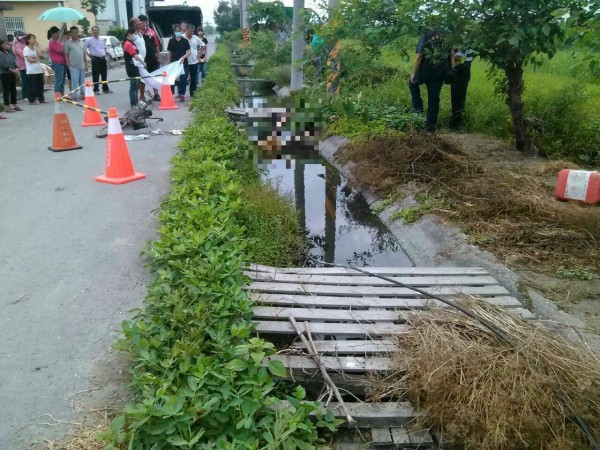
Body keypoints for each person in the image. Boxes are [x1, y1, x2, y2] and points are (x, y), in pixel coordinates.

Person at [409, 29, 454, 132]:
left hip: (425, 70)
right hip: (440, 72)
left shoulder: (425, 34)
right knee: (434, 99)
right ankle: (430, 128)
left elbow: (420, 55)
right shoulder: (447, 34)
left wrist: (414, 73)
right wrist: (451, 69)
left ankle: (418, 107)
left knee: (412, 83)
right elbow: (452, 54)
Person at [449, 48, 474, 131]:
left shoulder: (467, 46)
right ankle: (454, 122)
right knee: (454, 99)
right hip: (455, 74)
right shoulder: (455, 46)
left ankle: (456, 123)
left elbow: (460, 59)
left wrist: (453, 56)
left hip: (463, 75)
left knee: (460, 100)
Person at [84, 26, 113, 95]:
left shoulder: (101, 39)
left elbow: (105, 48)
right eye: (94, 30)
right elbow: (84, 49)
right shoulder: (89, 40)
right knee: (96, 75)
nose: (95, 32)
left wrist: (105, 54)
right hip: (95, 59)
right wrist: (89, 55)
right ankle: (96, 89)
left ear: (99, 31)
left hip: (103, 59)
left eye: (97, 30)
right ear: (92, 31)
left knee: (104, 74)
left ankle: (105, 89)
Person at [138, 14, 161, 102]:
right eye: (143, 22)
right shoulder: (137, 33)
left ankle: (156, 94)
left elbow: (156, 45)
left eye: (146, 22)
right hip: (141, 59)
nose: (145, 24)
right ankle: (142, 96)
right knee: (142, 78)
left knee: (154, 75)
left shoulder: (151, 31)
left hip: (152, 57)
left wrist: (158, 57)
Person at [122, 27, 146, 108]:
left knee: (136, 85)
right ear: (129, 34)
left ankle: (135, 101)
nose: (135, 36)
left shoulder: (132, 43)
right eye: (135, 34)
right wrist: (143, 63)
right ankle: (133, 103)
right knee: (134, 85)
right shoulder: (128, 44)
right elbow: (135, 56)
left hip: (135, 66)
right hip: (131, 67)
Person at [167, 25, 191, 102]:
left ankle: (182, 94)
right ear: (174, 32)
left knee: (183, 79)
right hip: (174, 63)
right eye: (176, 31)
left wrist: (183, 57)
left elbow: (189, 52)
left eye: (179, 31)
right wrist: (168, 62)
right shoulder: (171, 41)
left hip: (183, 63)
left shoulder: (185, 41)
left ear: (181, 31)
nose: (178, 32)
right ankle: (171, 94)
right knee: (172, 79)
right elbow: (169, 52)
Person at [64, 26, 88, 100]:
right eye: (73, 33)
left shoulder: (82, 43)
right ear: (70, 34)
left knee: (82, 81)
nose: (75, 34)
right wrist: (68, 65)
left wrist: (86, 64)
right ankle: (74, 96)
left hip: (82, 65)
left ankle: (83, 94)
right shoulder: (68, 43)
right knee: (74, 82)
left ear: (78, 33)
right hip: (73, 66)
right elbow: (66, 55)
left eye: (76, 32)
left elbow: (84, 55)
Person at [129, 17, 148, 103]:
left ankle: (142, 96)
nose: (140, 22)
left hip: (142, 61)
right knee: (136, 82)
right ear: (134, 24)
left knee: (143, 80)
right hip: (136, 62)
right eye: (138, 21)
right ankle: (134, 100)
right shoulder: (132, 35)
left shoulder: (140, 33)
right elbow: (127, 45)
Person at [0, 39, 21, 113]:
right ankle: (7, 106)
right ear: (1, 45)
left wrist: (16, 69)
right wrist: (12, 70)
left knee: (13, 89)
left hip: (12, 73)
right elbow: (3, 65)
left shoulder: (9, 54)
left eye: (8, 44)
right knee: (6, 90)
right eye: (5, 44)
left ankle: (13, 104)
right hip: (5, 74)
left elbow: (14, 62)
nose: (8, 45)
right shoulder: (1, 54)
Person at [23, 34, 45, 104]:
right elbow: (30, 60)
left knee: (40, 86)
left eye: (34, 38)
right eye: (32, 38)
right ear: (28, 40)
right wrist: (37, 58)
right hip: (31, 71)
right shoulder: (26, 49)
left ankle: (41, 99)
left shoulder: (35, 48)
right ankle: (31, 100)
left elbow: (41, 55)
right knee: (32, 86)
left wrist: (37, 46)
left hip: (38, 70)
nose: (34, 40)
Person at [184, 24, 204, 98]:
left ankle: (193, 93)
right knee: (183, 78)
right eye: (190, 31)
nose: (191, 33)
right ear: (186, 30)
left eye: (193, 31)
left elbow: (203, 45)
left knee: (194, 78)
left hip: (194, 62)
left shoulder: (195, 38)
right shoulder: (182, 38)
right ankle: (181, 93)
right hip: (185, 62)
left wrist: (200, 54)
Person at [47, 26, 67, 95]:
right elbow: (61, 51)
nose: (58, 34)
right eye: (57, 33)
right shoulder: (52, 42)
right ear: (53, 34)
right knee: (59, 80)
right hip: (58, 64)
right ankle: (58, 95)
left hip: (63, 63)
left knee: (62, 80)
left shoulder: (57, 42)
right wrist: (64, 42)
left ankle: (62, 94)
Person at [12, 30, 27, 100]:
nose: (24, 39)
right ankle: (25, 95)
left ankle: (29, 94)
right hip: (22, 65)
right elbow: (23, 54)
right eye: (23, 38)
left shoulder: (23, 44)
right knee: (25, 80)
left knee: (28, 80)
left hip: (27, 65)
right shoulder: (17, 45)